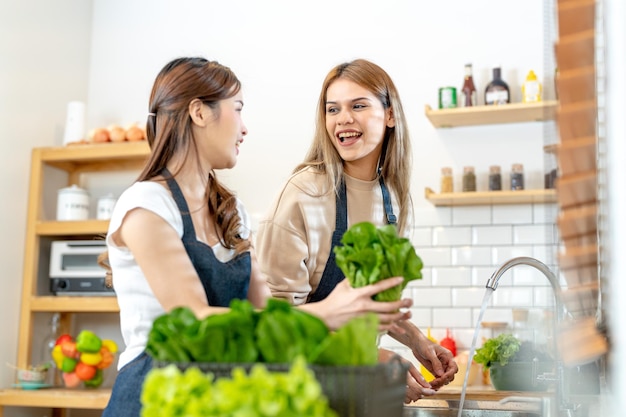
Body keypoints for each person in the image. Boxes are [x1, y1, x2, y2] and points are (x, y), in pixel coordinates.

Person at [101, 57, 414, 417]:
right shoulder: (146, 205)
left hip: (221, 398)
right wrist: (325, 314)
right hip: (151, 395)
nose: (244, 128)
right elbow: (194, 320)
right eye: (237, 109)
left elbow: (270, 317)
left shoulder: (231, 213)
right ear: (199, 113)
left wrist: (361, 342)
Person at [256, 58, 459, 403]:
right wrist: (370, 358)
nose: (343, 119)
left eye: (358, 105)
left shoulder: (392, 199)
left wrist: (414, 340)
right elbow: (270, 322)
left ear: (390, 115)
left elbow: (367, 303)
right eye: (333, 109)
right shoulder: (304, 194)